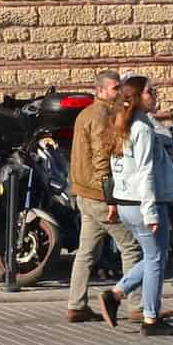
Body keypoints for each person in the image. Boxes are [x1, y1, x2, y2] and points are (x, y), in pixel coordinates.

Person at [99, 76, 173, 336]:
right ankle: (150, 318)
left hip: (126, 201)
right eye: (150, 91)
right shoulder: (143, 128)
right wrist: (150, 210)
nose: (155, 95)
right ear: (136, 97)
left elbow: (118, 167)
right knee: (156, 258)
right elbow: (145, 171)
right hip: (143, 202)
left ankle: (116, 294)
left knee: (153, 256)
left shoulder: (121, 124)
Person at [65, 69, 142, 323]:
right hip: (99, 194)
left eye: (120, 87)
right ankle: (138, 307)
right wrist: (111, 198)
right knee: (131, 247)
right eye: (114, 88)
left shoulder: (85, 114)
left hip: (84, 192)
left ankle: (76, 305)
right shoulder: (100, 116)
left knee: (86, 251)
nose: (119, 91)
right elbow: (101, 159)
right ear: (99, 91)